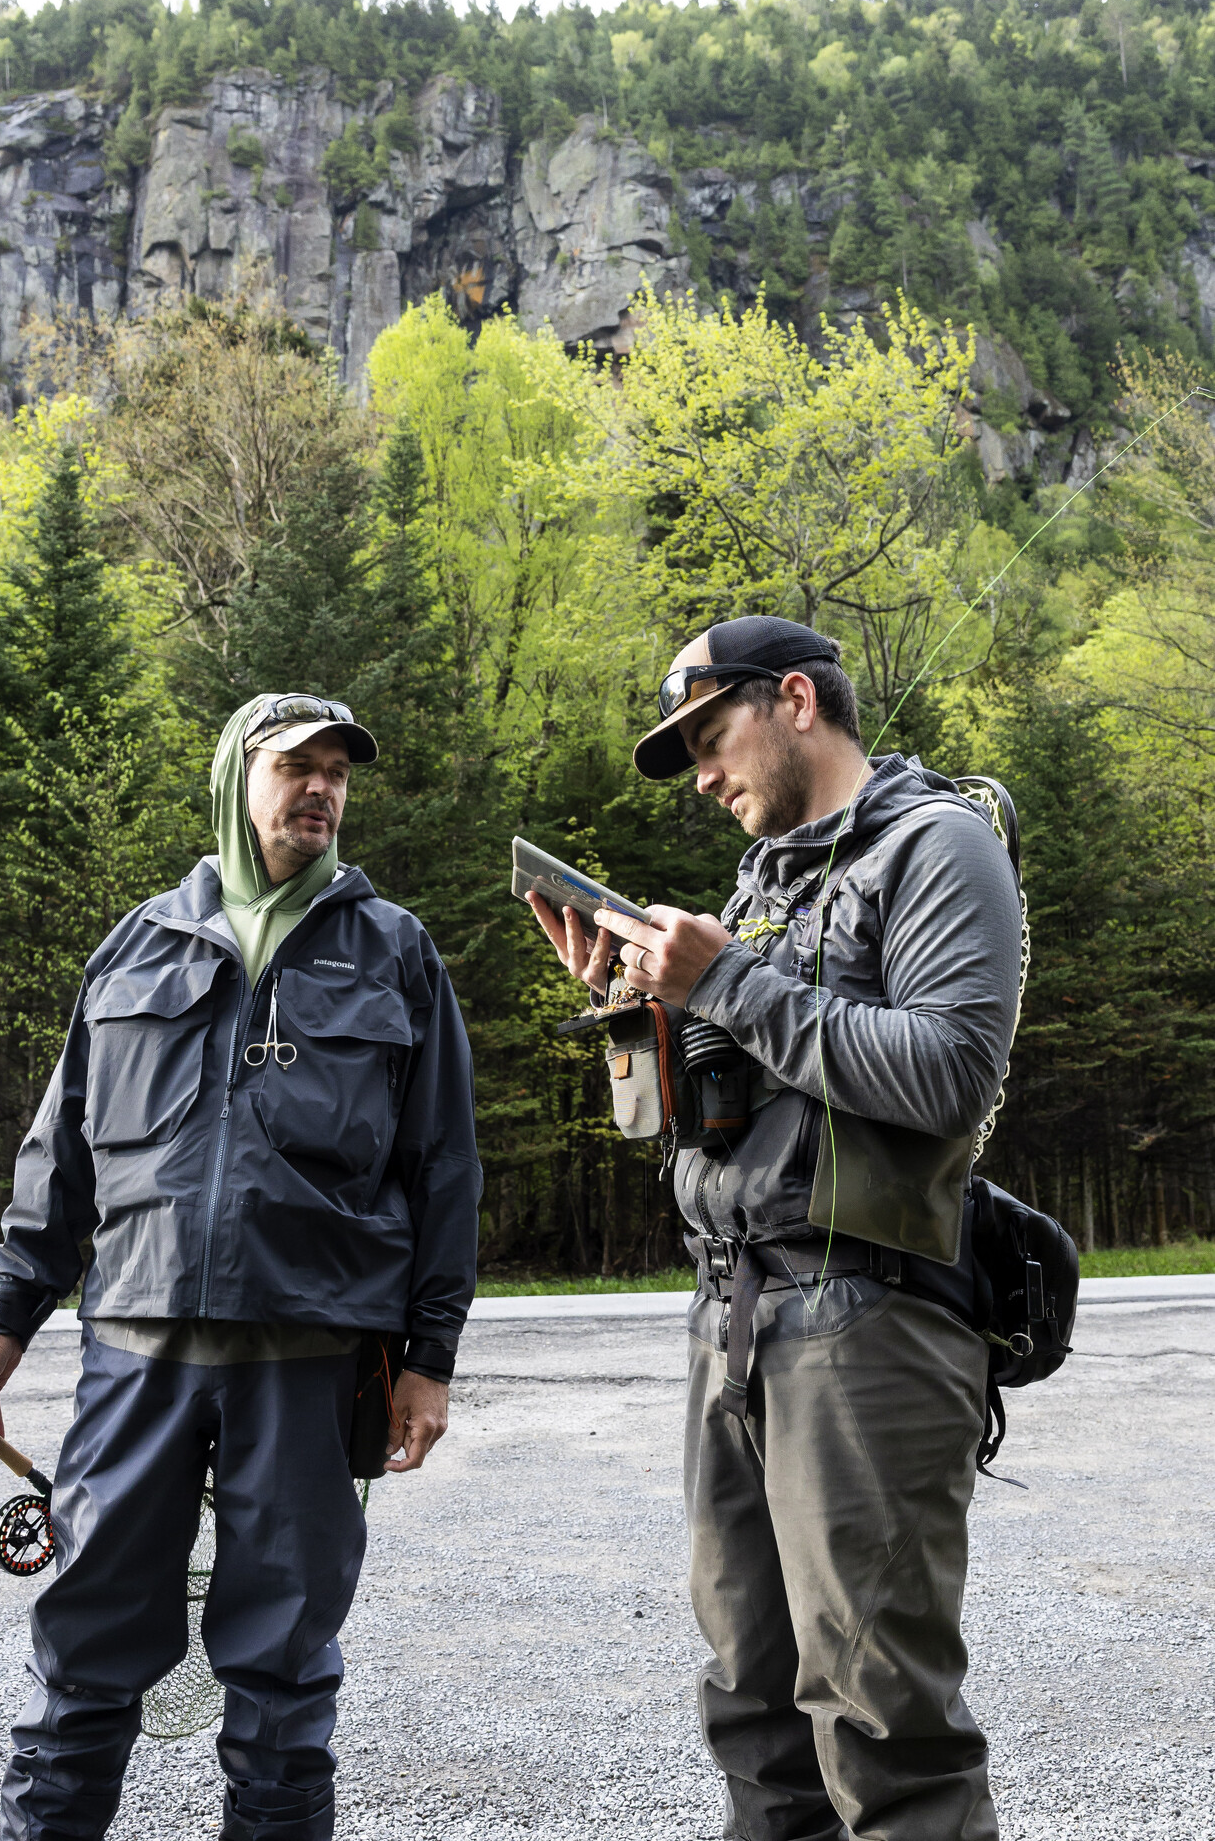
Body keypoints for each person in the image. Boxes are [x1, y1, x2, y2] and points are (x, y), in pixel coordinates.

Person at [0, 692, 483, 1841]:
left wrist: (427, 1359)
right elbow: (61, 1154)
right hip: (135, 1358)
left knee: (283, 1674)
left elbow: (443, 1170)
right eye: (296, 767)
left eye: (337, 770)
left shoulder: (395, 950)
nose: (321, 789)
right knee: (85, 1652)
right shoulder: (137, 942)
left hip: (312, 1358)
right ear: (240, 776)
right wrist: (4, 1321)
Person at [528, 616, 1023, 1841]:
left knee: (881, 1718)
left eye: (710, 734)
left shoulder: (938, 847)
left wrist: (725, 986)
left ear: (795, 697)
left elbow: (950, 1071)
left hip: (869, 1318)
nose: (700, 772)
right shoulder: (762, 889)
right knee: (752, 1708)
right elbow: (735, 1110)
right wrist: (639, 1008)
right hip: (734, 1314)